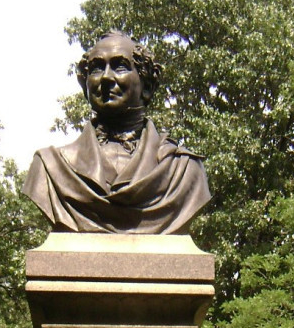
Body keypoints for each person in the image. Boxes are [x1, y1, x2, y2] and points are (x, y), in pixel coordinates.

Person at [23, 31, 210, 234]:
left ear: (146, 86)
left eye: (120, 66)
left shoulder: (184, 171)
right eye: (96, 68)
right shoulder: (50, 168)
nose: (106, 77)